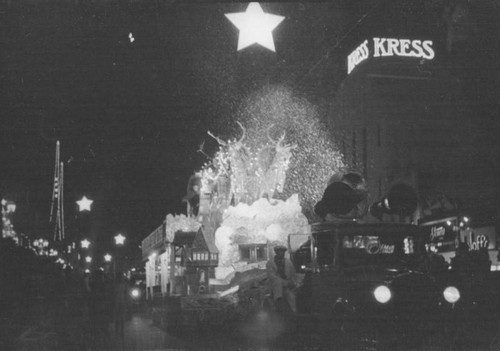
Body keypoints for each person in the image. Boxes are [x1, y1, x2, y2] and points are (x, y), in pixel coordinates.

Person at [266, 245, 297, 314]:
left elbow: (293, 273)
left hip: (287, 286)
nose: (282, 253)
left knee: (292, 297)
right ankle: (278, 308)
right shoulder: (270, 263)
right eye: (280, 252)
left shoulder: (288, 262)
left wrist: (292, 282)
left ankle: (294, 314)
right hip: (275, 287)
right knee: (278, 295)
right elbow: (271, 276)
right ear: (276, 252)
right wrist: (283, 282)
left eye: (283, 252)